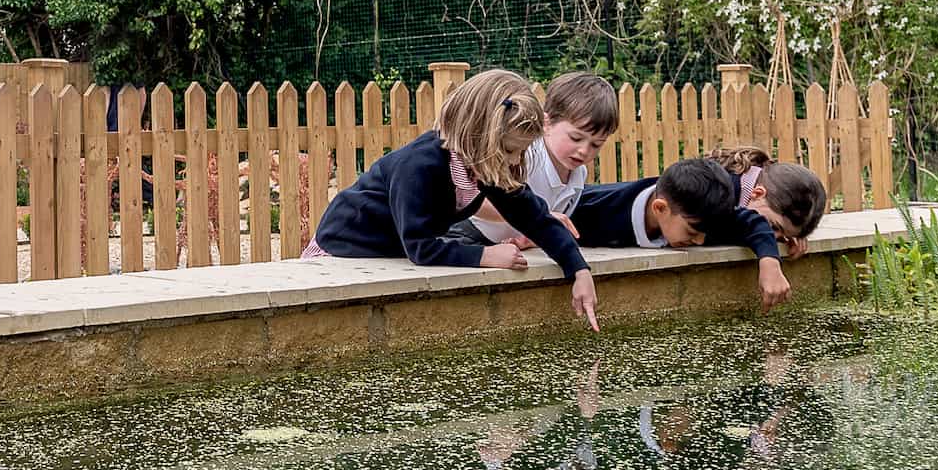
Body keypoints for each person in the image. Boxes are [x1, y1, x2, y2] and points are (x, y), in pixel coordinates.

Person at [304, 69, 601, 329]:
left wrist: (578, 269)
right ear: (479, 136)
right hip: (343, 250)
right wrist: (485, 256)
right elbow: (420, 248)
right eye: (510, 150)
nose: (515, 161)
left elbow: (535, 218)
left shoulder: (486, 164)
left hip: (387, 253)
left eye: (521, 152)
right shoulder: (420, 166)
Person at [571, 157, 792, 309]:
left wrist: (770, 262)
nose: (700, 240)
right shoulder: (593, 214)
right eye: (692, 231)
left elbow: (753, 222)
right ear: (660, 209)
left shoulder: (700, 216)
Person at [461, 71, 618, 253]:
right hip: (468, 237)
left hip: (512, 250)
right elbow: (473, 202)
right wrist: (536, 216)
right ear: (547, 123)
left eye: (596, 144)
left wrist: (533, 237)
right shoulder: (523, 157)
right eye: (575, 138)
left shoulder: (578, 174)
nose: (584, 150)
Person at [705, 146, 829, 254]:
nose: (773, 238)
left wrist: (789, 233)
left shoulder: (754, 181)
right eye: (774, 226)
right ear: (758, 194)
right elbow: (702, 232)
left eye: (783, 236)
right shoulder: (720, 193)